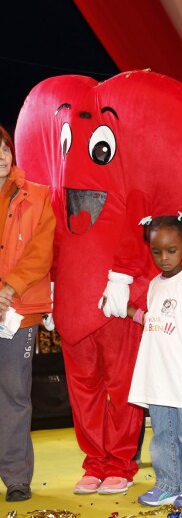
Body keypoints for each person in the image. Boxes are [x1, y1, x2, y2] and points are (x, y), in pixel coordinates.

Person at [127, 214, 182, 509]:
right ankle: (167, 483)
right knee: (161, 434)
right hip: (157, 376)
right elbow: (157, 320)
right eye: (156, 251)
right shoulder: (154, 285)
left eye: (171, 250)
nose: (164, 258)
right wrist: (132, 313)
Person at [0, 125, 56, 502]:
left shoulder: (38, 195)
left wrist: (8, 289)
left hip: (17, 311)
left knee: (14, 394)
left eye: (4, 148)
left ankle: (16, 477)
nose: (1, 156)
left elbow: (41, 251)